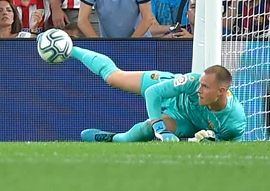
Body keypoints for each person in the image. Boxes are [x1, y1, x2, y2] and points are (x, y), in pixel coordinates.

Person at [65, 48, 246, 142]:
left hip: (185, 119)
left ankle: (112, 139)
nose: (200, 89)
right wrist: (160, 127)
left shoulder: (234, 121)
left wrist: (210, 142)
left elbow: (229, 146)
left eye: (206, 87)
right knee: (114, 78)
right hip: (172, 91)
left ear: (221, 91)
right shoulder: (193, 82)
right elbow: (153, 92)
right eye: (201, 84)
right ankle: (70, 48)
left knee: (146, 129)